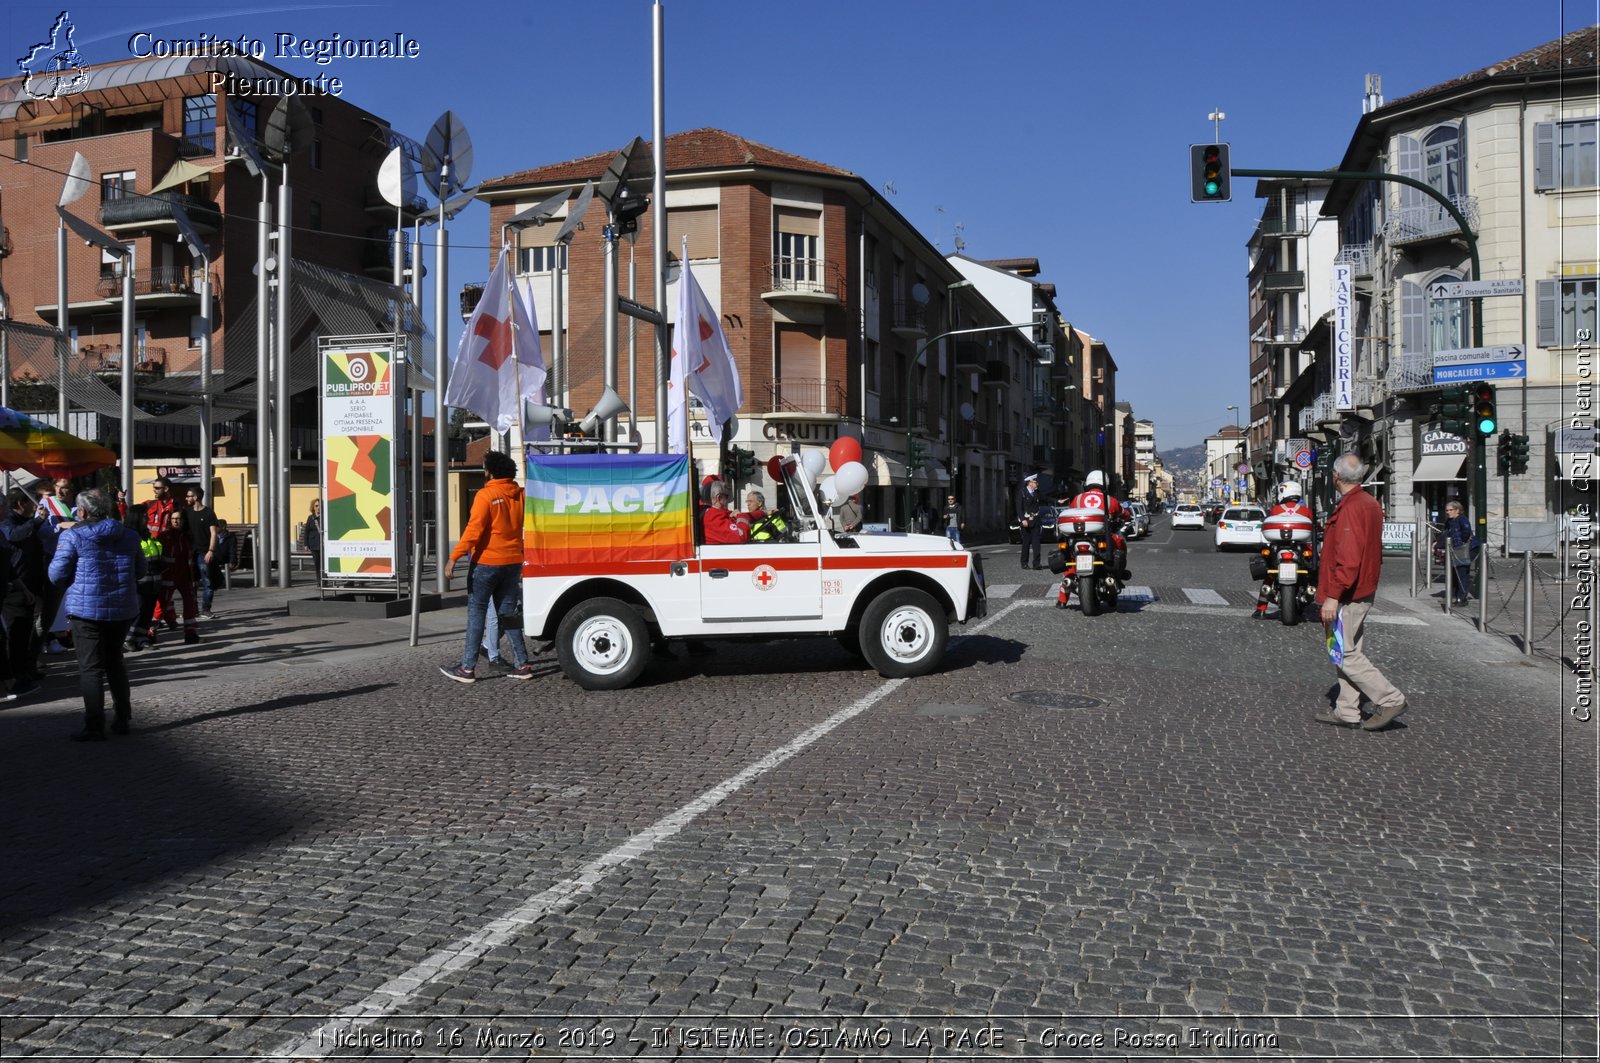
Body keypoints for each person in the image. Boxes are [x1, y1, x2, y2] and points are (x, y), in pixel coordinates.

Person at [1315, 453, 1407, 731]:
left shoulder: (1351, 508)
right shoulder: (1369, 503)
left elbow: (1349, 557)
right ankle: (1347, 710)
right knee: (1348, 650)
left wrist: (1333, 595)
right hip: (1363, 588)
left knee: (1344, 653)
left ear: (1336, 476)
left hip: (1347, 594)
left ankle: (1390, 698)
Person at [48, 488, 145, 741]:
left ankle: (94, 725)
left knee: (91, 668)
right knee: (115, 662)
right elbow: (141, 570)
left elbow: (56, 574)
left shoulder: (73, 536)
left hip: (85, 609)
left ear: (81, 511)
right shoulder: (130, 535)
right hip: (122, 608)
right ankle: (122, 718)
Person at [440, 450, 533, 683]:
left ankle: (467, 668)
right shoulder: (522, 495)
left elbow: (474, 531)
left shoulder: (485, 496)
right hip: (512, 562)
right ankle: (523, 664)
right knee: (509, 615)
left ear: (489, 471)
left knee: (477, 614)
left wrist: (454, 557)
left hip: (486, 563)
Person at [0, 489, 48, 696]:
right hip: (11, 593)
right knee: (12, 635)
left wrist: (22, 585)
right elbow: (13, 535)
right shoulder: (7, 524)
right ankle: (13, 678)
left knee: (21, 633)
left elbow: (8, 567)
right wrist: (36, 522)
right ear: (20, 503)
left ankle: (20, 673)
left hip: (22, 585)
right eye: (31, 502)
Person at [1251, 480, 1318, 619]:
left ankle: (1260, 608)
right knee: (1313, 569)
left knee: (1270, 574)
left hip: (1280, 546)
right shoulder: (1306, 511)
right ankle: (1311, 590)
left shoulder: (1276, 509)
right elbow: (1314, 528)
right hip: (1300, 547)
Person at [1065, 471, 1127, 578]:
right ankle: (1118, 574)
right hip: (1103, 537)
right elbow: (1124, 513)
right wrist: (1126, 516)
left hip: (1079, 535)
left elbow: (1070, 512)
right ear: (1105, 484)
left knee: (1071, 558)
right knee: (1120, 543)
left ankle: (1064, 591)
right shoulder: (1110, 500)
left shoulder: (1078, 498)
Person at [157, 508, 201, 644]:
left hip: (185, 576)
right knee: (161, 605)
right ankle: (150, 631)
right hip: (168, 575)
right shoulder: (164, 536)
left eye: (178, 519)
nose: (175, 521)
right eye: (173, 519)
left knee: (190, 604)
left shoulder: (187, 536)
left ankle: (190, 633)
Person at [125, 504, 163, 652]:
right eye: (144, 515)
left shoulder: (147, 534)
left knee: (148, 610)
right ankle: (128, 639)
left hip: (153, 580)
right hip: (138, 581)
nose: (147, 517)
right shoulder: (129, 535)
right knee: (138, 610)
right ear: (136, 517)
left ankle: (141, 638)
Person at [183, 485, 223, 619]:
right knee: (190, 583)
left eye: (188, 496)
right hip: (190, 553)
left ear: (196, 497)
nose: (186, 498)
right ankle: (192, 609)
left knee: (207, 581)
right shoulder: (187, 513)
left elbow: (213, 533)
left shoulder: (208, 513)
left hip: (204, 552)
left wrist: (211, 551)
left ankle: (206, 609)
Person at [1444, 498, 1476, 605]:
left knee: (1462, 573)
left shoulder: (1462, 519)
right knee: (1454, 573)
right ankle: (1454, 595)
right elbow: (1446, 533)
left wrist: (1460, 542)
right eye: (1447, 510)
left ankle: (1461, 598)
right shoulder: (1449, 521)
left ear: (1457, 510)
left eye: (1450, 510)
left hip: (1464, 549)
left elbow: (1466, 531)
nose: (1448, 512)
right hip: (1454, 549)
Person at [1016, 473, 1046, 569]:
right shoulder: (1022, 492)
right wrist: (1022, 519)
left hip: (1036, 521)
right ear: (1030, 483)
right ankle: (1024, 563)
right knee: (1026, 543)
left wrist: (1058, 501)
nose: (1037, 484)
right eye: (1035, 482)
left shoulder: (1036, 492)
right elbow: (1019, 507)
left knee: (1036, 544)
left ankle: (1036, 564)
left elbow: (1045, 497)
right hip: (1026, 521)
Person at [303, 497, 324, 575]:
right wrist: (305, 544)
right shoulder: (310, 518)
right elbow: (306, 531)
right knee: (317, 563)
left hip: (323, 544)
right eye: (316, 506)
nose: (318, 508)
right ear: (313, 507)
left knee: (324, 564)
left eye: (320, 506)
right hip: (314, 544)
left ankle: (324, 580)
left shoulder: (325, 517)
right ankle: (319, 580)